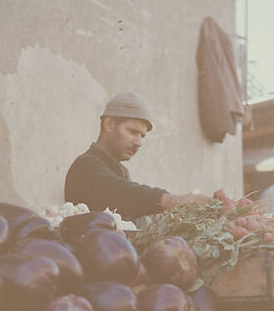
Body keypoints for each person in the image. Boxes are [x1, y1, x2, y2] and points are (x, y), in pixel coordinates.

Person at [64, 93, 211, 224]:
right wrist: (168, 200)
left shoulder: (120, 170)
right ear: (109, 124)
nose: (138, 143)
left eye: (142, 136)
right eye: (133, 131)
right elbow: (121, 194)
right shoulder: (85, 166)